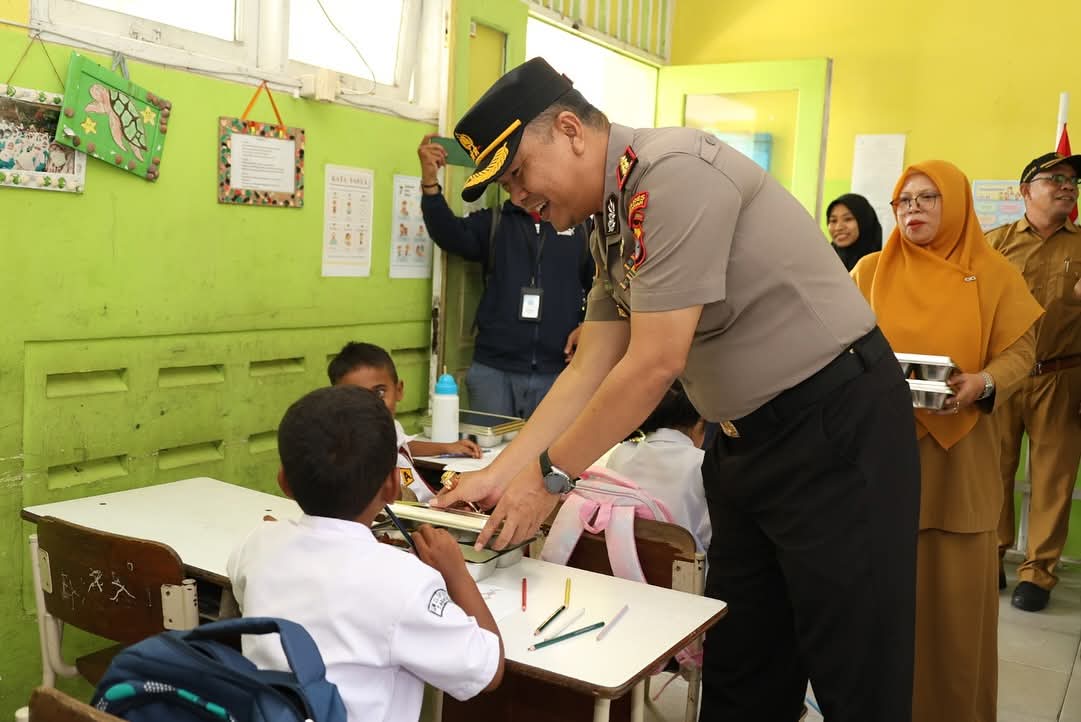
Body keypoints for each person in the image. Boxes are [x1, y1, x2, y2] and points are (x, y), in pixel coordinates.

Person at [434, 57, 921, 722]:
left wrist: (547, 479)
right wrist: (502, 470)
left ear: (571, 129)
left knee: (854, 667)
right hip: (742, 446)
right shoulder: (610, 220)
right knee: (742, 663)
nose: (517, 196)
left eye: (517, 172)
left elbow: (652, 363)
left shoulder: (673, 174)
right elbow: (591, 365)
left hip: (832, 432)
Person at [850, 160, 1042, 721]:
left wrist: (984, 383)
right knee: (883, 604)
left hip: (963, 458)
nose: (913, 208)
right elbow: (838, 344)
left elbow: (1023, 353)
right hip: (885, 454)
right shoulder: (869, 272)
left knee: (956, 613)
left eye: (928, 197)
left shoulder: (995, 272)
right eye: (903, 199)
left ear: (955, 203)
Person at [226, 385, 504, 722]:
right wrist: (455, 572)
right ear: (392, 486)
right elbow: (489, 672)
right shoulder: (407, 582)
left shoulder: (257, 545)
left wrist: (274, 534)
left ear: (284, 483)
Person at [418, 134, 593, 419]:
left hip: (559, 370)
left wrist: (589, 325)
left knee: (549, 458)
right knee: (491, 454)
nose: (517, 192)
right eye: (507, 185)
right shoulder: (497, 222)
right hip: (493, 371)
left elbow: (602, 285)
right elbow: (450, 234)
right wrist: (429, 184)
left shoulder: (581, 228)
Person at [989, 151, 1081, 613]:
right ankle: (992, 556)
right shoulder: (994, 245)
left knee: (1053, 480)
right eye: (1056, 179)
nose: (1068, 187)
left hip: (1062, 377)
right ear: (1026, 191)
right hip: (1004, 375)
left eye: (1073, 182)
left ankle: (1039, 573)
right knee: (993, 470)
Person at [328, 341, 480, 502]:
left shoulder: (389, 426)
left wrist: (446, 447)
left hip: (429, 506)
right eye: (357, 396)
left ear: (398, 390)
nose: (370, 405)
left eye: (379, 392)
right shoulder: (352, 453)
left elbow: (402, 444)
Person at [605, 381, 711, 553]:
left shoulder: (622, 453)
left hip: (617, 558)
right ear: (700, 422)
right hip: (681, 571)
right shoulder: (703, 463)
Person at [826, 192, 882, 271]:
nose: (838, 227)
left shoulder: (882, 264)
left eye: (848, 219)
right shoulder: (823, 262)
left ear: (864, 222)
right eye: (833, 220)